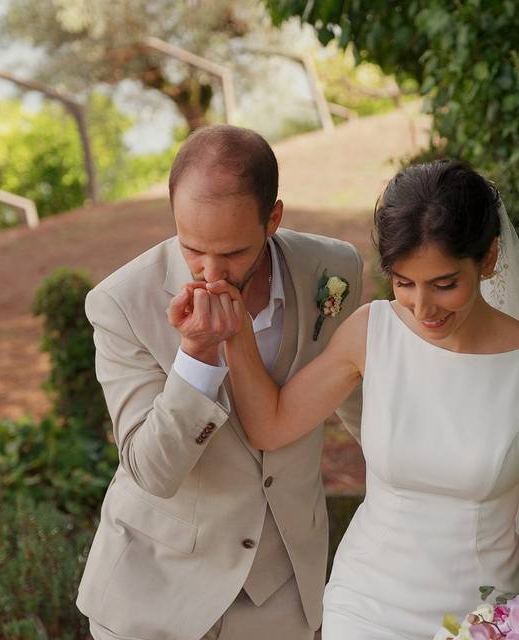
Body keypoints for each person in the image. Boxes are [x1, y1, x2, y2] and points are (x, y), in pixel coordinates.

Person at [209, 159, 519, 639]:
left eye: (445, 284)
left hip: (483, 618)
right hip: (366, 606)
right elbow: (272, 424)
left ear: (488, 260)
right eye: (405, 284)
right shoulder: (371, 331)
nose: (423, 308)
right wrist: (234, 332)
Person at [76, 124, 365, 640]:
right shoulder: (119, 304)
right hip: (156, 595)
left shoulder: (333, 269)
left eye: (232, 253)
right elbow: (150, 471)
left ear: (273, 217)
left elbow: (355, 392)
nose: (210, 273)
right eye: (192, 249)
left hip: (285, 592)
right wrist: (196, 358)